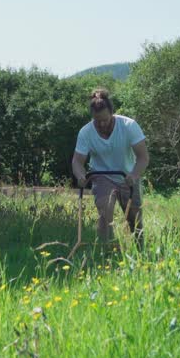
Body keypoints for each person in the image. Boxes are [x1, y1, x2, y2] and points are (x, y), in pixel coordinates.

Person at [71, 88, 149, 246]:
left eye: (105, 120)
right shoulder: (86, 132)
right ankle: (107, 250)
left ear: (112, 113)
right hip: (101, 176)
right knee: (105, 211)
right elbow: (77, 161)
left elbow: (143, 157)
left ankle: (141, 250)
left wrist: (134, 175)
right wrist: (80, 176)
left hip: (127, 176)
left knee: (134, 218)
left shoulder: (129, 126)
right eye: (96, 120)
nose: (101, 124)